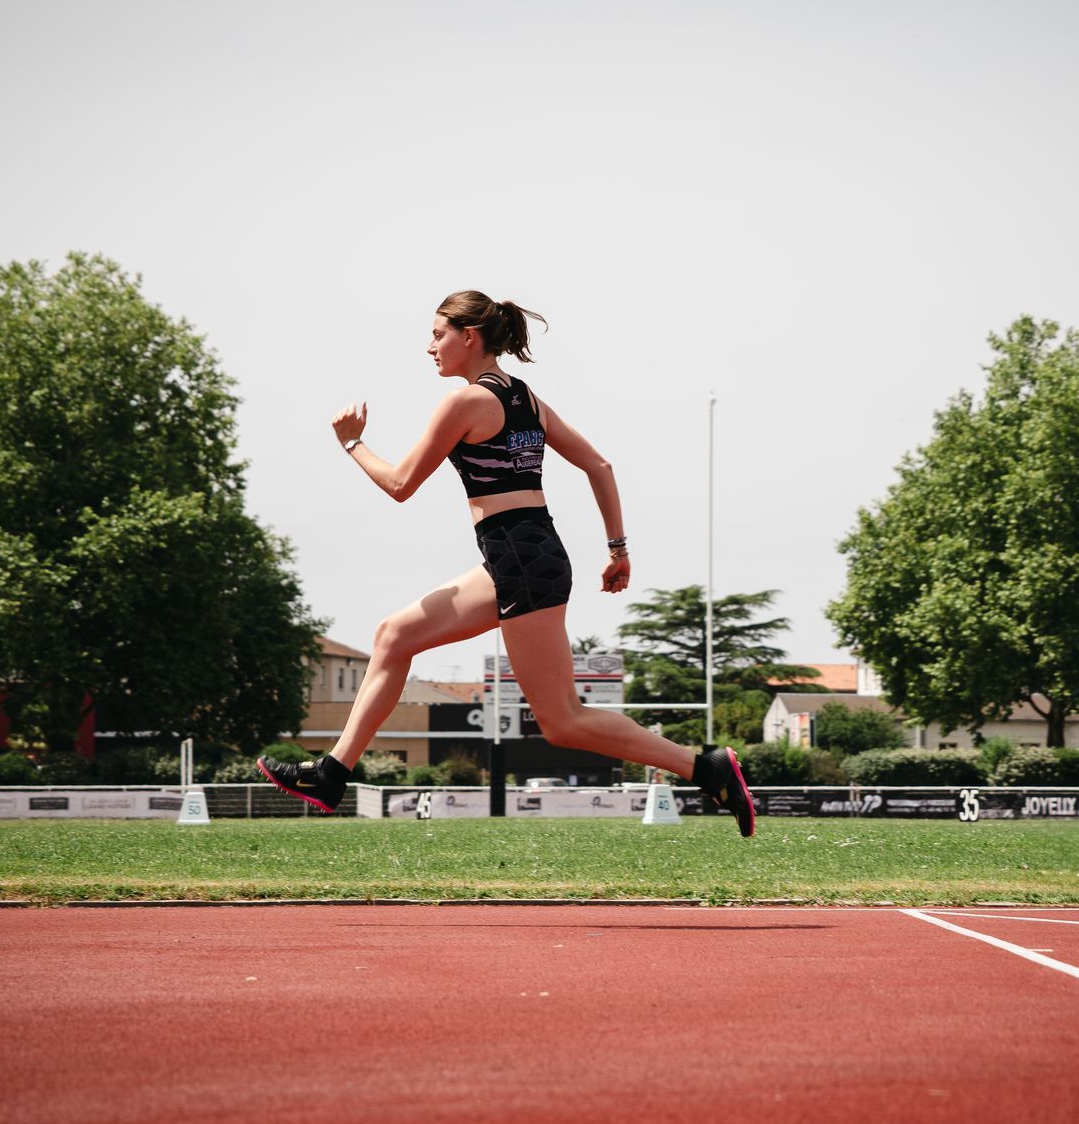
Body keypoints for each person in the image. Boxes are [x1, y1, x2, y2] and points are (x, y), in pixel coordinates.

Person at [257, 291, 755, 835]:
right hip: (525, 552)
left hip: (518, 557)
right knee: (393, 635)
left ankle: (704, 768)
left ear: (468, 337)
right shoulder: (526, 398)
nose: (430, 347)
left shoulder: (464, 402)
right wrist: (618, 550)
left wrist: (353, 443)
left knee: (563, 722)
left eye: (438, 334)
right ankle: (331, 773)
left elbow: (400, 485)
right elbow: (600, 465)